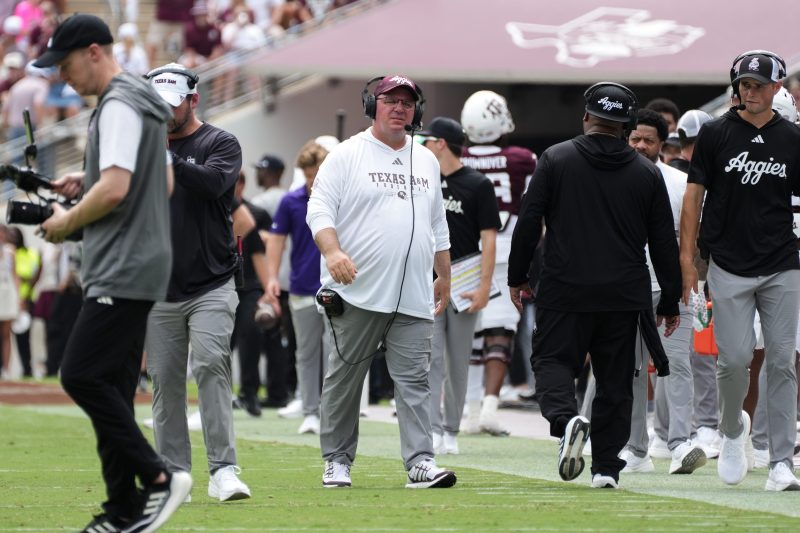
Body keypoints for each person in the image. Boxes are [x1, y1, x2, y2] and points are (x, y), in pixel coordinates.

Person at [35, 13, 191, 532]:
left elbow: (119, 189)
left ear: (95, 52)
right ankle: (122, 509)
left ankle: (159, 479)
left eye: (65, 63)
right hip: (142, 261)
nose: (63, 77)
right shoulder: (142, 101)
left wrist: (66, 222)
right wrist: (91, 176)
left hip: (122, 263)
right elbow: (160, 183)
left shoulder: (119, 103)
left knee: (79, 374)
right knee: (113, 388)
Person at [508, 81, 681, 489]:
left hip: (565, 286)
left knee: (552, 362)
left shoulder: (556, 159)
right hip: (625, 293)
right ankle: (605, 468)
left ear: (586, 116)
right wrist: (670, 298)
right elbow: (661, 242)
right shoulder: (646, 172)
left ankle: (567, 422)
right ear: (627, 125)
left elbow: (528, 222)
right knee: (616, 381)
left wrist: (517, 276)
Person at [306, 74, 456, 489]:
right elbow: (318, 210)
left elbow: (437, 222)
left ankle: (420, 462)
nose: (399, 108)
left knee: (415, 382)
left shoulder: (425, 158)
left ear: (417, 111)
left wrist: (443, 274)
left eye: (407, 102)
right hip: (357, 291)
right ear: (372, 105)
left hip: (412, 293)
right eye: (390, 100)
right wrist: (333, 252)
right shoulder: (346, 154)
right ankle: (337, 460)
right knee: (345, 380)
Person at [680, 51, 800, 491]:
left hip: (782, 264)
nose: (750, 91)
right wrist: (687, 261)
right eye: (744, 84)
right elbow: (693, 199)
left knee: (783, 361)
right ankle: (732, 432)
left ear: (776, 88)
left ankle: (781, 462)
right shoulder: (714, 135)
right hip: (727, 263)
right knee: (732, 361)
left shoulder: (793, 138)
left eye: (759, 85)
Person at [144, 62, 251, 502]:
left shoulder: (219, 142)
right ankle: (174, 475)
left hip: (211, 281)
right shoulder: (139, 148)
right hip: (157, 287)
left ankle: (224, 469)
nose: (165, 114)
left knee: (210, 366)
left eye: (172, 105)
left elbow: (212, 184)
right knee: (165, 383)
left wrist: (163, 156)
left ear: (193, 99)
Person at [621, 109, 706, 475]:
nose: (640, 146)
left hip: (671, 289)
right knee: (633, 370)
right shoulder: (611, 177)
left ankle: (679, 443)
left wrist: (688, 283)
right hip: (625, 290)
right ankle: (636, 449)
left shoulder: (678, 182)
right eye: (635, 139)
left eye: (648, 140)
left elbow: (691, 239)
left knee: (678, 366)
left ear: (663, 143)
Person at [417, 116, 500, 455]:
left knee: (458, 360)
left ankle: (450, 429)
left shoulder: (478, 184)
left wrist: (484, 287)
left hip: (465, 282)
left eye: (427, 140)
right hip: (427, 282)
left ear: (440, 143)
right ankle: (435, 430)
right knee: (431, 358)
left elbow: (489, 240)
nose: (422, 146)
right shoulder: (424, 181)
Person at [460, 90, 537, 436]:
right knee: (499, 333)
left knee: (466, 335)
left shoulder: (454, 157)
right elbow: (535, 208)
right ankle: (488, 406)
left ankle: (469, 408)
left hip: (462, 256)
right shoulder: (522, 159)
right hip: (506, 250)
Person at [266, 140, 330, 435]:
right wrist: (272, 277)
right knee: (305, 352)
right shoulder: (291, 201)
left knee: (335, 352)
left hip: (336, 286)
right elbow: (277, 242)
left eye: (316, 175)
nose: (311, 181)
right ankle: (310, 412)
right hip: (302, 287)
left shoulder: (340, 199)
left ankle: (333, 412)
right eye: (307, 176)